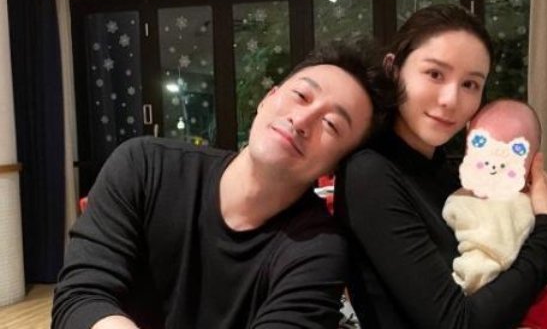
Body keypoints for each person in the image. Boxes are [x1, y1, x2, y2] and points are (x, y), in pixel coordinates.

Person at [51, 41, 398, 329]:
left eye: (332, 124)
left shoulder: (318, 249)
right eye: (301, 95)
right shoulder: (145, 166)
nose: (302, 120)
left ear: (337, 166)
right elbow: (81, 296)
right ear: (268, 98)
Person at [334, 4, 547, 328]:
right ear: (393, 70)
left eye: (470, 84)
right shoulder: (369, 173)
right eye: (435, 74)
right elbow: (456, 323)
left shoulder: (446, 171)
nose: (450, 99)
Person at [442, 99, 547, 329]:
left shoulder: (495, 208)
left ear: (532, 167)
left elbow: (483, 265)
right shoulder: (467, 198)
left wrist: (461, 281)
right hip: (543, 290)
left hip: (533, 300)